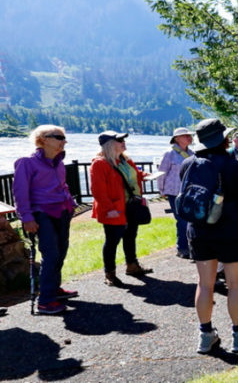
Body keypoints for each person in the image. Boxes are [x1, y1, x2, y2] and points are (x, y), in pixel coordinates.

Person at [181, 118, 238, 354]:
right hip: (230, 232)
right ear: (224, 140)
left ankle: (206, 336)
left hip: (199, 231)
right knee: (235, 285)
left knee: (205, 285)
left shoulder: (189, 164)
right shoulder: (235, 166)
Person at [12, 125, 78, 315]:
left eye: (64, 137)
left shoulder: (59, 163)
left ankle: (54, 289)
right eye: (59, 137)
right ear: (43, 139)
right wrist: (26, 218)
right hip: (42, 214)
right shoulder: (26, 163)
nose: (63, 141)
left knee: (61, 252)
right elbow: (20, 193)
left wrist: (71, 204)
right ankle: (45, 301)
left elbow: (63, 187)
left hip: (62, 212)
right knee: (51, 255)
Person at [90, 131, 153, 287]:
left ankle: (132, 266)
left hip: (131, 205)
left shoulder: (125, 160)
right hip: (114, 209)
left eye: (123, 139)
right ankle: (109, 273)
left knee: (130, 236)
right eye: (119, 140)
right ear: (109, 144)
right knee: (112, 241)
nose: (123, 142)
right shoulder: (100, 163)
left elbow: (134, 175)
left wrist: (146, 175)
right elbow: (98, 190)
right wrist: (108, 209)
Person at [157, 127, 195, 259]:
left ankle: (189, 246)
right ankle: (182, 248)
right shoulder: (169, 153)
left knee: (190, 219)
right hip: (173, 192)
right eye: (185, 136)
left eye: (189, 135)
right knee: (181, 220)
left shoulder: (191, 153)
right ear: (177, 138)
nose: (189, 137)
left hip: (188, 192)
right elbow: (162, 172)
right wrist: (161, 190)